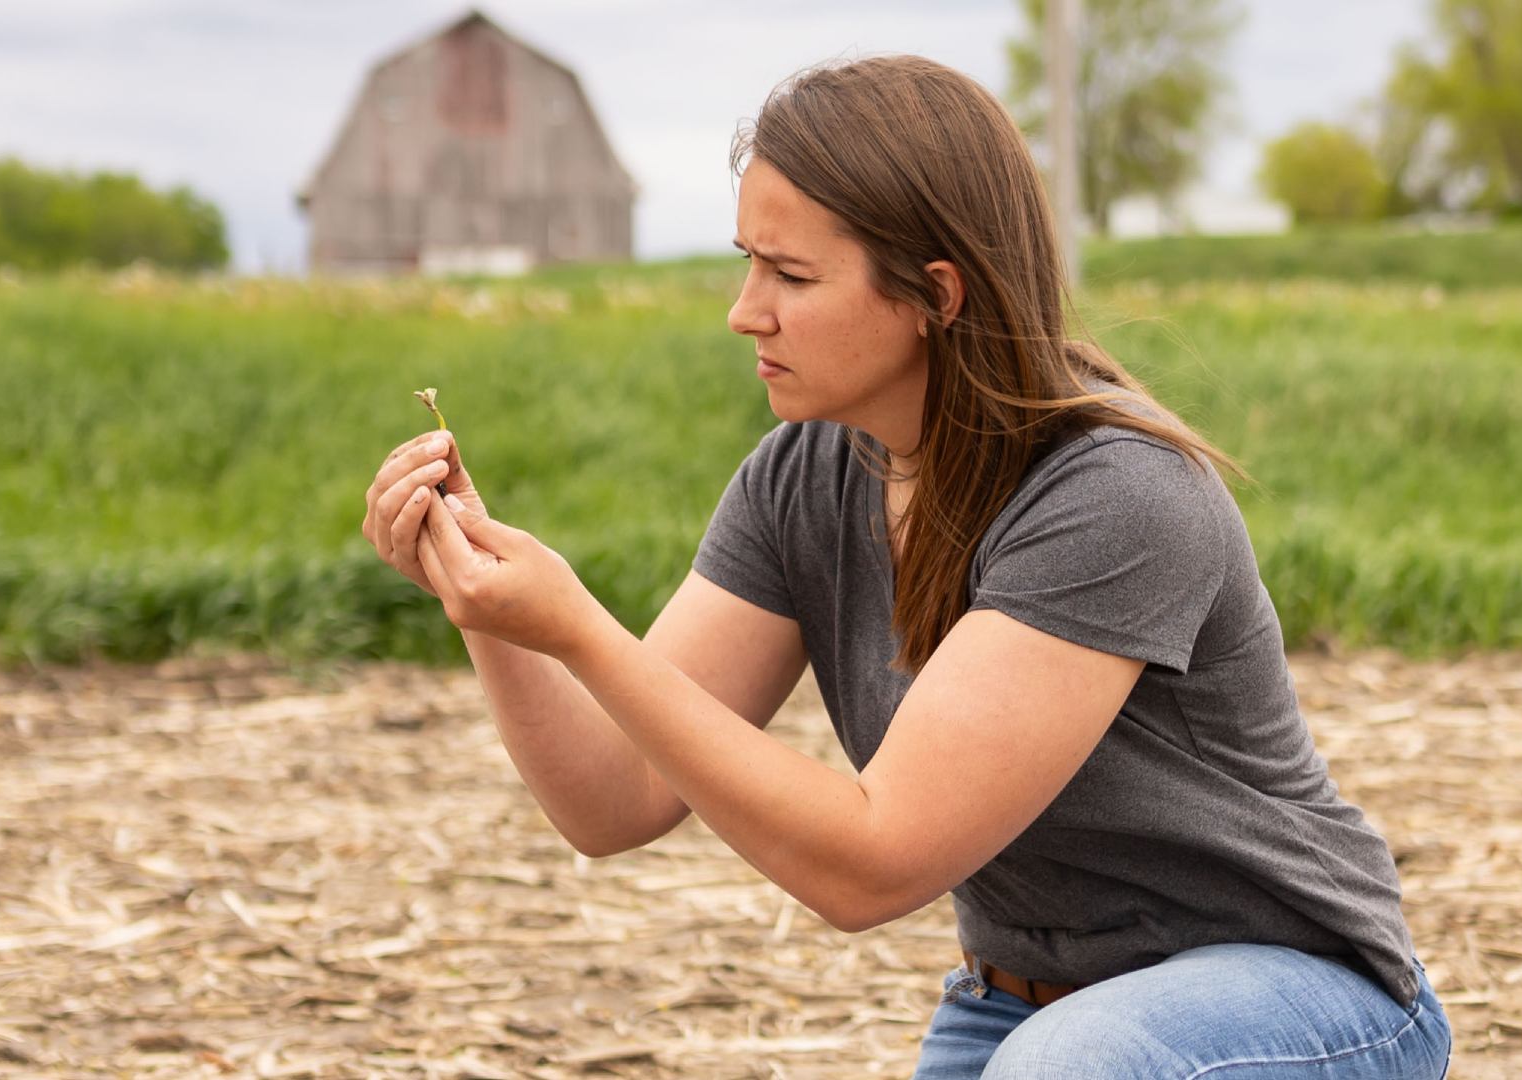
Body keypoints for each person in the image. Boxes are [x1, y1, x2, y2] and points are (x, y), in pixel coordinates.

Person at [361, 55, 1451, 1079]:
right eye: (749, 263)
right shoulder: (804, 479)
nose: (747, 312)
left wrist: (582, 629)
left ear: (937, 293)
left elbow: (871, 864)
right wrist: (495, 613)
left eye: (791, 273)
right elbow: (616, 800)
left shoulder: (1114, 497)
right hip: (1022, 1007)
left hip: (1300, 996)